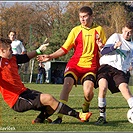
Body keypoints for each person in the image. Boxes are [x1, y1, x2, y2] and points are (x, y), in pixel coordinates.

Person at [37, 6, 106, 124]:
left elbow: (104, 50)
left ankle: (86, 106)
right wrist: (50, 56)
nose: (82, 19)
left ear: (91, 16)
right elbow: (64, 48)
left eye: (84, 17)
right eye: (80, 17)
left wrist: (101, 46)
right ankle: (59, 117)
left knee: (88, 92)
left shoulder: (99, 30)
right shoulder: (75, 30)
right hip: (74, 64)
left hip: (90, 66)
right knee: (67, 85)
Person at [0, 38, 92, 124]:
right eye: (10, 50)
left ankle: (39, 120)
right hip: (16, 99)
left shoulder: (13, 58)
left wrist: (38, 51)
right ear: (2, 51)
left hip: (24, 91)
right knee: (49, 99)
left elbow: (26, 57)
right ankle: (79, 115)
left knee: (51, 104)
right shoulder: (1, 63)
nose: (12, 51)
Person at [95, 20, 133, 125]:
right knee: (103, 86)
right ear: (122, 30)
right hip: (106, 66)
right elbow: (103, 51)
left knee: (124, 87)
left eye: (130, 32)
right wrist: (114, 47)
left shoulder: (132, 46)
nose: (127, 34)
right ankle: (102, 116)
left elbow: (131, 61)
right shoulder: (116, 36)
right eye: (125, 31)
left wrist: (130, 66)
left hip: (119, 70)